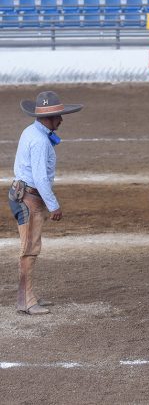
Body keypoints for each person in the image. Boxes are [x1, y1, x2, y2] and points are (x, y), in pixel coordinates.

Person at [8, 91, 83, 315]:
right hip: (30, 199)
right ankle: (27, 300)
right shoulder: (40, 141)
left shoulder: (30, 131)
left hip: (23, 194)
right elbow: (40, 178)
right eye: (58, 116)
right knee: (30, 248)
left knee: (29, 248)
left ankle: (26, 296)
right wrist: (54, 205)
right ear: (47, 118)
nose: (61, 119)